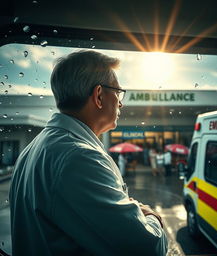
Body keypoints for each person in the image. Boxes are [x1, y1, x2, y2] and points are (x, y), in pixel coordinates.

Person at [9, 50, 168, 256]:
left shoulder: (34, 149)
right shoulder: (79, 158)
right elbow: (148, 249)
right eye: (118, 93)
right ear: (99, 95)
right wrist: (152, 217)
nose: (121, 103)